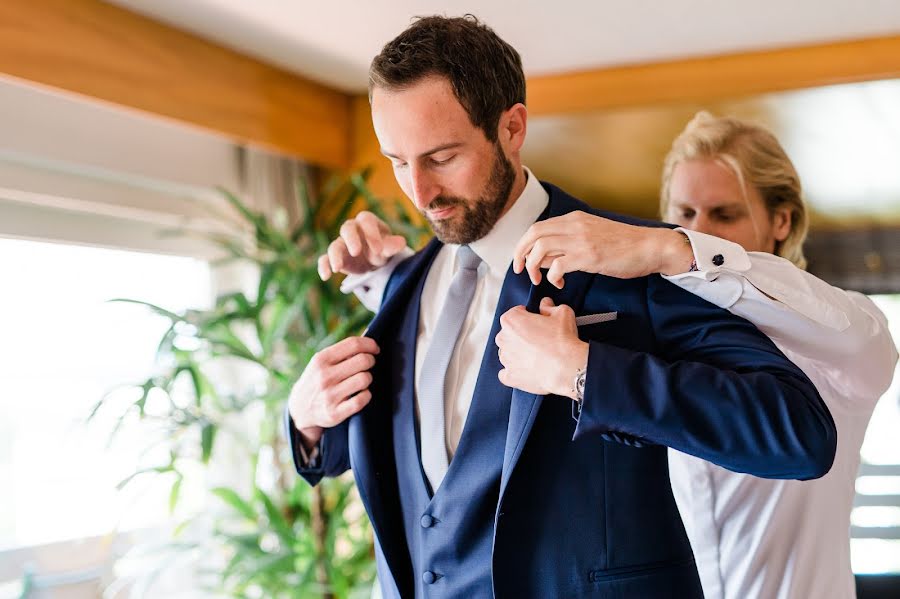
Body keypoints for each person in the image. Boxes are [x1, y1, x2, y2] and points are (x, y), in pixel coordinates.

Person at [286, 17, 836, 599]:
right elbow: (391, 461)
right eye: (398, 161)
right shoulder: (405, 285)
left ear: (512, 127)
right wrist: (306, 421)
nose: (420, 194)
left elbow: (798, 434)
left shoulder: (628, 257)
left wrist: (586, 373)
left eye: (442, 157)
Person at [506, 112, 899, 599]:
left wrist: (670, 249)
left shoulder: (837, 338)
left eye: (724, 214)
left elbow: (861, 338)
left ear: (781, 220)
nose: (699, 230)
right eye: (684, 215)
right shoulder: (657, 344)